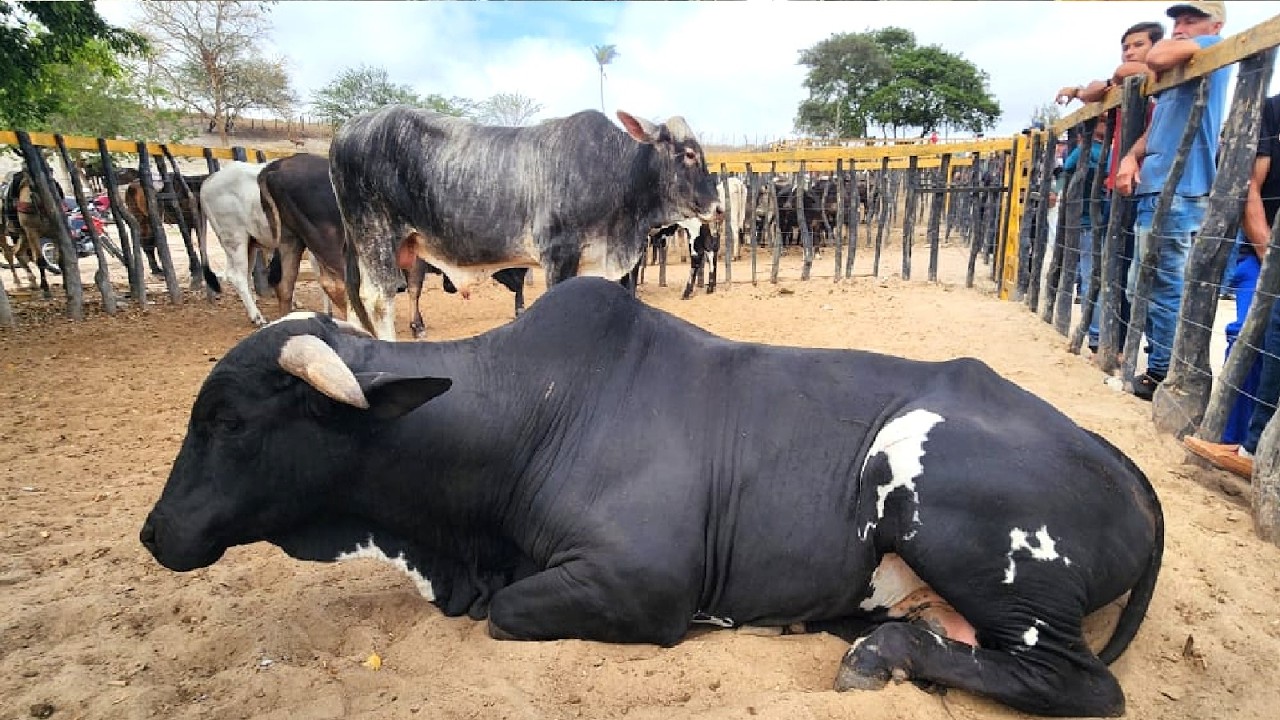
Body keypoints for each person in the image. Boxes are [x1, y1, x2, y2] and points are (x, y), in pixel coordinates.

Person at [1114, 0, 1230, 401]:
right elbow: (1157, 126)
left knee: (1163, 285)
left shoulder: (1210, 49)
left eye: (1190, 20)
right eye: (1177, 21)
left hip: (1179, 192)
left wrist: (1153, 58)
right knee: (1144, 283)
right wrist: (1132, 155)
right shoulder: (1179, 76)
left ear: (1214, 25)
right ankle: (1165, 364)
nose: (1180, 27)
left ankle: (1166, 372)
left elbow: (1154, 55)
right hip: (1160, 189)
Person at [1182, 90, 1280, 478]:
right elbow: (1249, 189)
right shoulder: (1270, 112)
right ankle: (1243, 442)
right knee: (1252, 334)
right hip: (1266, 247)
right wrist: (1270, 257)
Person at [1057, 21, 1165, 354]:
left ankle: (1123, 345)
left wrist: (1113, 77)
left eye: (1139, 44)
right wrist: (1081, 90)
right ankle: (1107, 341)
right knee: (1113, 270)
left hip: (1147, 189)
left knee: (1138, 276)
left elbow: (1123, 70)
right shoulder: (1124, 86)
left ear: (1157, 47)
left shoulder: (1160, 80)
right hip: (1118, 192)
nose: (1131, 52)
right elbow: (1096, 89)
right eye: (1126, 46)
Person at [1061, 121, 1109, 350]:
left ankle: (1097, 336)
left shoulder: (1088, 151)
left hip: (1089, 223)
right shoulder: (1109, 151)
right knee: (1094, 277)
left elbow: (1068, 165)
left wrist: (1082, 147)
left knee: (1091, 277)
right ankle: (1099, 336)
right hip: (1100, 221)